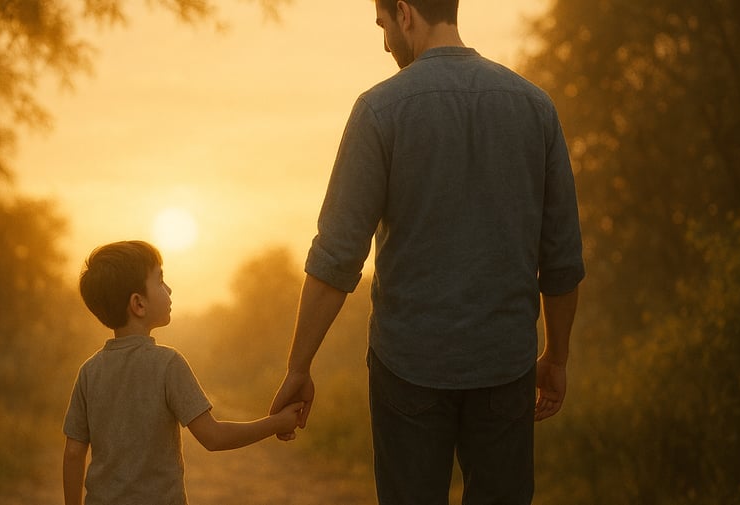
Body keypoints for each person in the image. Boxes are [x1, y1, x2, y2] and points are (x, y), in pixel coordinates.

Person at [269, 1, 585, 504]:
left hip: (407, 370)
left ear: (405, 12)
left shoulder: (379, 110)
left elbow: (336, 258)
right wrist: (557, 357)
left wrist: (299, 367)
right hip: (505, 365)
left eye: (383, 27)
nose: (385, 42)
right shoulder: (534, 106)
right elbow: (563, 259)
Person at [63, 240, 303, 505]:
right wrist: (277, 423)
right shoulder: (168, 364)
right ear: (138, 304)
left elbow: (74, 452)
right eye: (160, 280)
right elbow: (213, 437)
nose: (169, 288)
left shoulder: (89, 372)